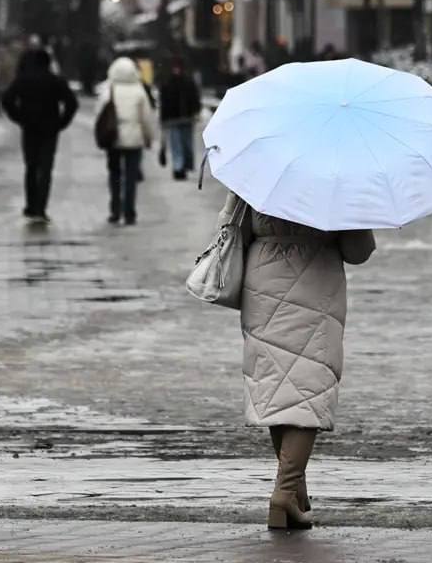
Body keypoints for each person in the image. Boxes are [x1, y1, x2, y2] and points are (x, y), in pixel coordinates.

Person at [218, 190, 375, 530]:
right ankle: (284, 492)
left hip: (263, 280)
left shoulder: (258, 172)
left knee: (278, 385)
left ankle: (295, 494)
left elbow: (233, 230)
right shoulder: (338, 178)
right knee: (308, 391)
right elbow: (357, 251)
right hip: (316, 282)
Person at [1, 48, 78, 222]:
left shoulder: (23, 80)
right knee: (46, 168)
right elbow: (72, 103)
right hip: (50, 129)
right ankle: (41, 208)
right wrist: (61, 123)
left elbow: (7, 99)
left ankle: (30, 205)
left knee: (31, 167)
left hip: (29, 128)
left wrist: (19, 117)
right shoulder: (55, 81)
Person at [98, 56, 156, 225]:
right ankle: (129, 212)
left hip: (114, 138)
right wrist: (148, 137)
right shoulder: (139, 91)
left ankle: (115, 210)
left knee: (114, 175)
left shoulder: (109, 89)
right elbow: (146, 118)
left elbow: (100, 114)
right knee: (131, 177)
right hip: (134, 138)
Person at [158, 57, 201, 180]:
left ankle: (181, 166)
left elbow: (194, 98)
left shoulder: (172, 83)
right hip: (178, 118)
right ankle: (179, 167)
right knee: (179, 144)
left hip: (182, 118)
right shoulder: (182, 82)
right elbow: (164, 102)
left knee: (184, 144)